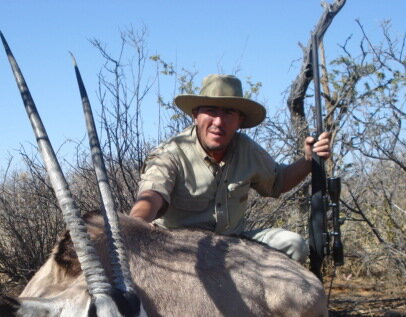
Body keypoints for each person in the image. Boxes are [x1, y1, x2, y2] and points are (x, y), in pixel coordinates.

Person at [129, 74, 330, 263]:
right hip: (182, 252)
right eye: (211, 110)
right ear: (195, 115)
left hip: (233, 248)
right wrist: (133, 227)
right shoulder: (170, 153)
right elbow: (151, 196)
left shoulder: (247, 149)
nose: (219, 121)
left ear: (240, 120)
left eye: (228, 112)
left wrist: (307, 160)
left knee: (293, 245)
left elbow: (278, 181)